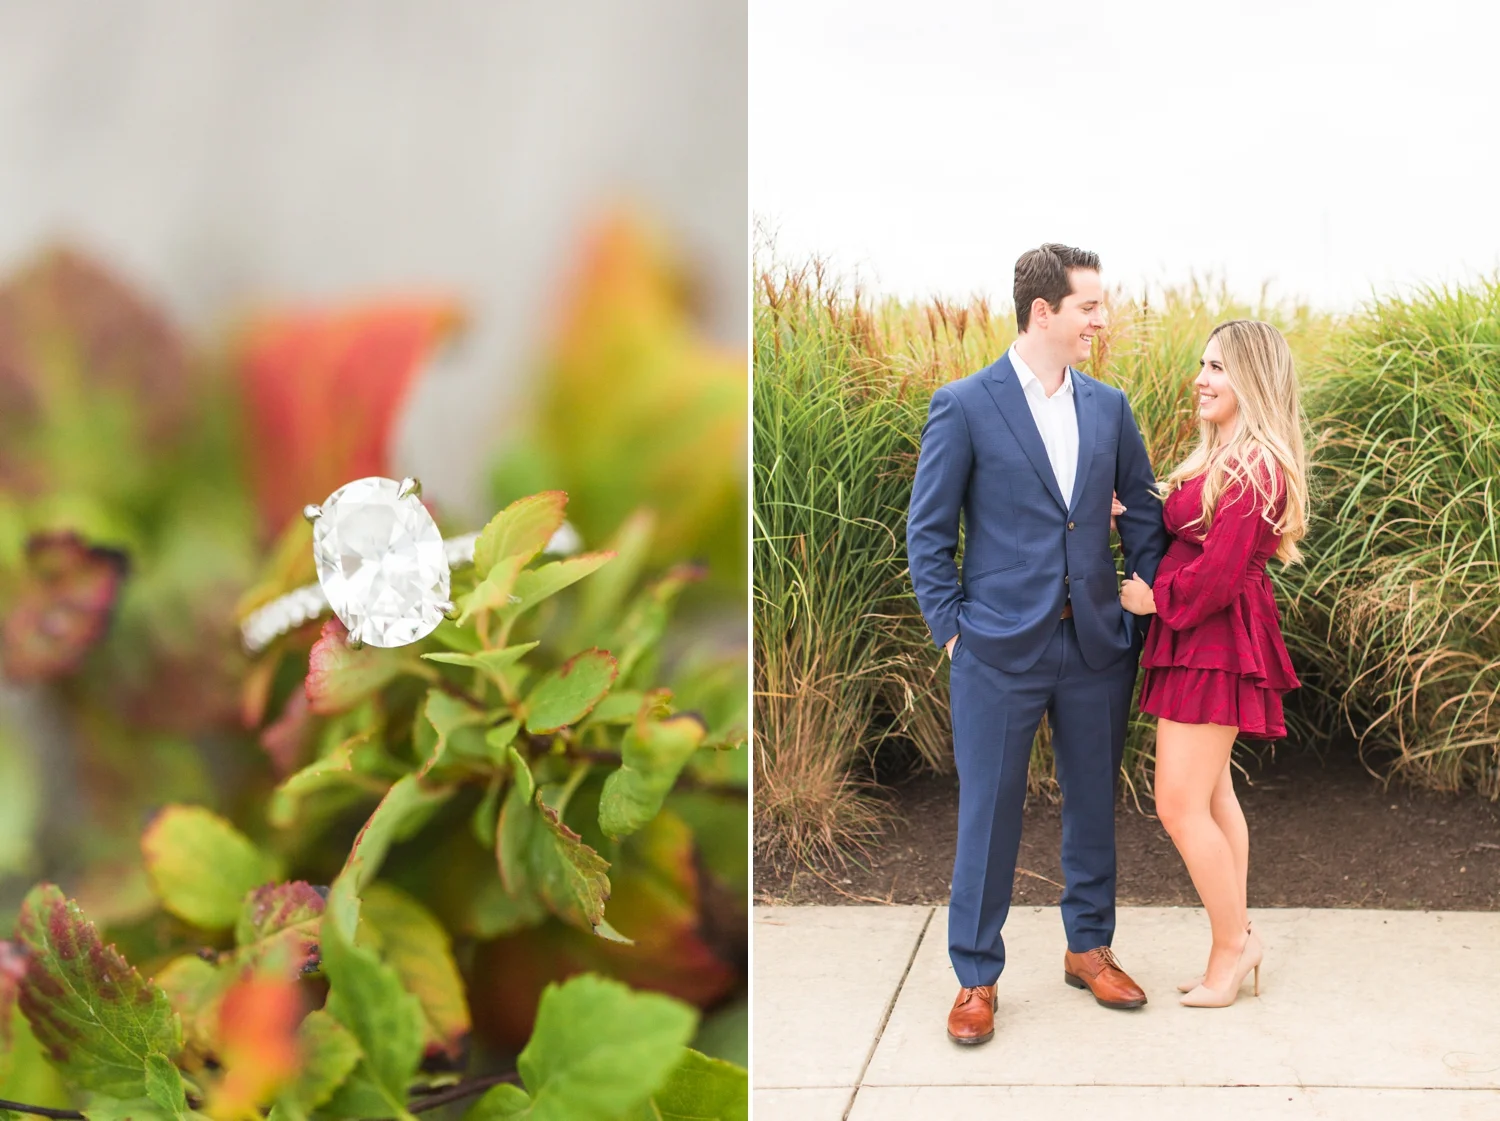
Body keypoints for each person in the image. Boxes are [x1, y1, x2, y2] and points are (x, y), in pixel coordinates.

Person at [907, 243, 1168, 1046]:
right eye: (1090, 305)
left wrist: (1137, 605)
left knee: (1094, 802)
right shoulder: (965, 404)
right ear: (1043, 311)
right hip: (995, 649)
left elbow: (1146, 510)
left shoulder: (1110, 405)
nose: (1103, 319)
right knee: (989, 812)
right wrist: (954, 632)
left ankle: (1089, 946)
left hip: (1094, 644)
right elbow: (927, 533)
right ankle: (976, 975)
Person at [1118, 319, 1308, 1008]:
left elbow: (1220, 576)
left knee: (1178, 804)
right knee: (1213, 795)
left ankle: (1235, 945)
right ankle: (1232, 939)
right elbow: (1190, 527)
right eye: (1202, 363)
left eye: (1218, 368)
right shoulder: (1221, 454)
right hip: (1201, 639)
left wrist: (1151, 598)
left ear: (1253, 380)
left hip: (1214, 639)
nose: (1202, 377)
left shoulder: (1257, 464)